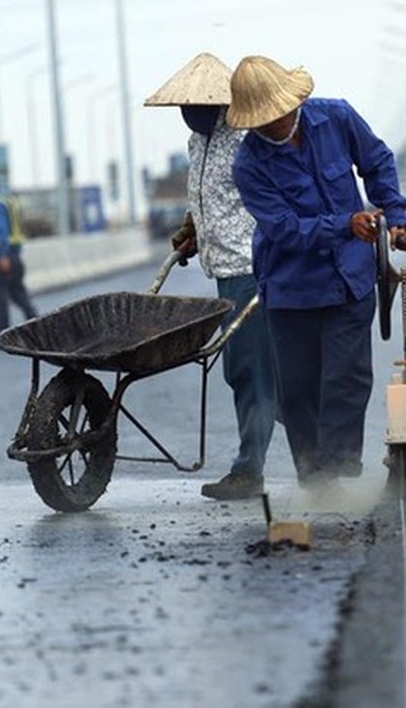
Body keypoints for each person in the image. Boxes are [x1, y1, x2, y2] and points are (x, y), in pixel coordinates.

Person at [226, 55, 406, 491]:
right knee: (299, 390)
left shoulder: (336, 117)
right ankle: (312, 475)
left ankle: (335, 465)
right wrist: (344, 224)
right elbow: (284, 229)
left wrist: (396, 214)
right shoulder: (249, 165)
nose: (274, 124)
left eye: (279, 113)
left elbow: (378, 162)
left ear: (294, 101)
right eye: (263, 119)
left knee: (346, 376)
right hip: (292, 287)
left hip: (350, 278)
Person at [142, 52, 279, 501]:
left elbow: (260, 199)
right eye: (184, 108)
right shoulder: (196, 144)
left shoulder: (245, 138)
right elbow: (209, 199)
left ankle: (250, 470)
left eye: (198, 107)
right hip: (222, 270)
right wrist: (192, 230)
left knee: (249, 370)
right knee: (253, 372)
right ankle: (320, 455)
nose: (189, 114)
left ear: (220, 103)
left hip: (250, 267)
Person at [0, 167, 37, 338]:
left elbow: (1, 232)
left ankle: (2, 334)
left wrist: (2, 255)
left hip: (2, 256)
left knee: (0, 298)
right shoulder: (9, 200)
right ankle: (37, 325)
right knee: (18, 294)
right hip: (15, 255)